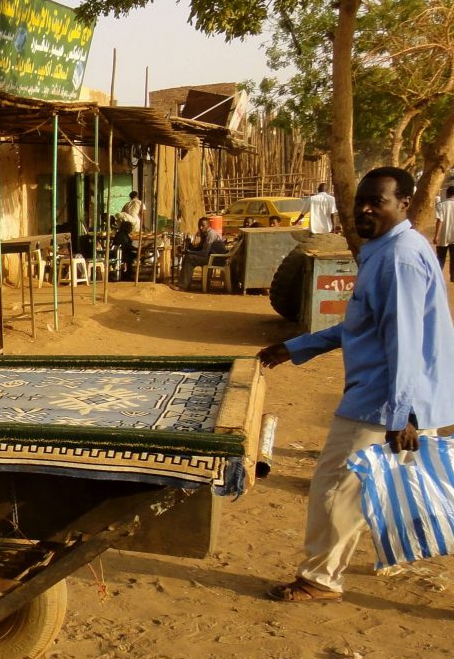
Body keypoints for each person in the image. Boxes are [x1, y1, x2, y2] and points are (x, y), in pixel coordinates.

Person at [259, 166, 454, 602]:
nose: (364, 209)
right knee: (398, 485)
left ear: (403, 204)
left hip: (384, 398)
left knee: (334, 486)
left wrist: (401, 414)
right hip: (404, 394)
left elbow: (402, 340)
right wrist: (298, 347)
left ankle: (319, 579)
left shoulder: (398, 258)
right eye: (360, 201)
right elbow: (363, 326)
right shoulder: (389, 249)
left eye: (377, 202)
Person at [175, 218, 227, 288]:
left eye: (203, 225)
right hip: (211, 257)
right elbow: (200, 249)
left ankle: (183, 286)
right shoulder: (205, 233)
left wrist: (189, 252)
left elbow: (204, 253)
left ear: (209, 225)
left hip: (217, 259)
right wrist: (190, 246)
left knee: (190, 258)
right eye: (199, 225)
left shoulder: (210, 235)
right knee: (188, 256)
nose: (201, 227)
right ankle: (186, 283)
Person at [435, 185, 454, 282]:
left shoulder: (441, 205)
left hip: (443, 235)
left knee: (441, 258)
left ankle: (438, 277)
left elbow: (440, 221)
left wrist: (436, 236)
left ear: (447, 194)